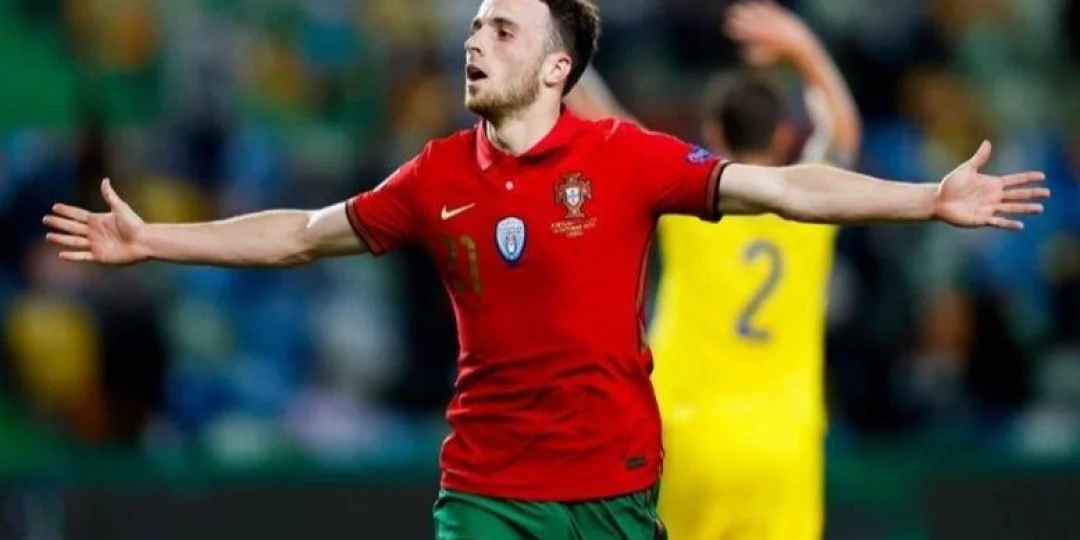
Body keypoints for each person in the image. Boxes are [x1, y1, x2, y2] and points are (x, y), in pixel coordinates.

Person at [43, 0, 1048, 538]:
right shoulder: (436, 175)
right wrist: (157, 239)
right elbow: (302, 233)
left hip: (619, 493)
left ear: (556, 68)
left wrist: (928, 197)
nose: (473, 40)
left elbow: (788, 187)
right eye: (474, 25)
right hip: (488, 493)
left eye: (500, 29)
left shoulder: (629, 159)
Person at [567, 2, 857, 539]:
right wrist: (803, 49)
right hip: (783, 440)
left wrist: (552, 36)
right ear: (782, 136)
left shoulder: (685, 198)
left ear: (712, 132)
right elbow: (842, 134)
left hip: (686, 432)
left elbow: (600, 118)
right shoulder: (812, 204)